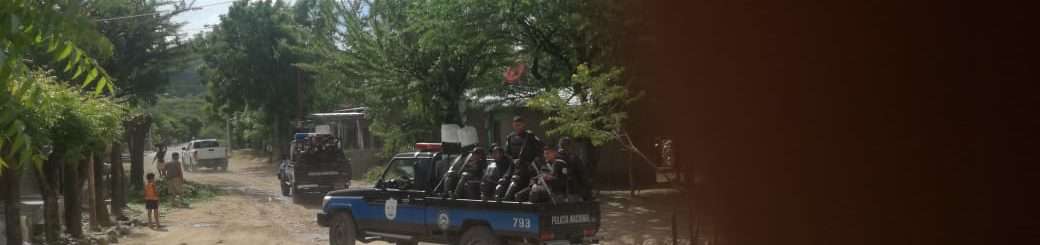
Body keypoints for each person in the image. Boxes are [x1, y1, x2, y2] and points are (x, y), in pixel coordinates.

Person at [502, 115, 544, 201]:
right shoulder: (510, 138)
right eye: (516, 125)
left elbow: (540, 150)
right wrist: (513, 160)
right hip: (515, 168)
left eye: (519, 125)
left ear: (523, 125)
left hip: (528, 168)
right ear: (513, 125)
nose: (517, 127)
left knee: (522, 189)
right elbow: (506, 153)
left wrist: (533, 163)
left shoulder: (530, 136)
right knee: (504, 186)